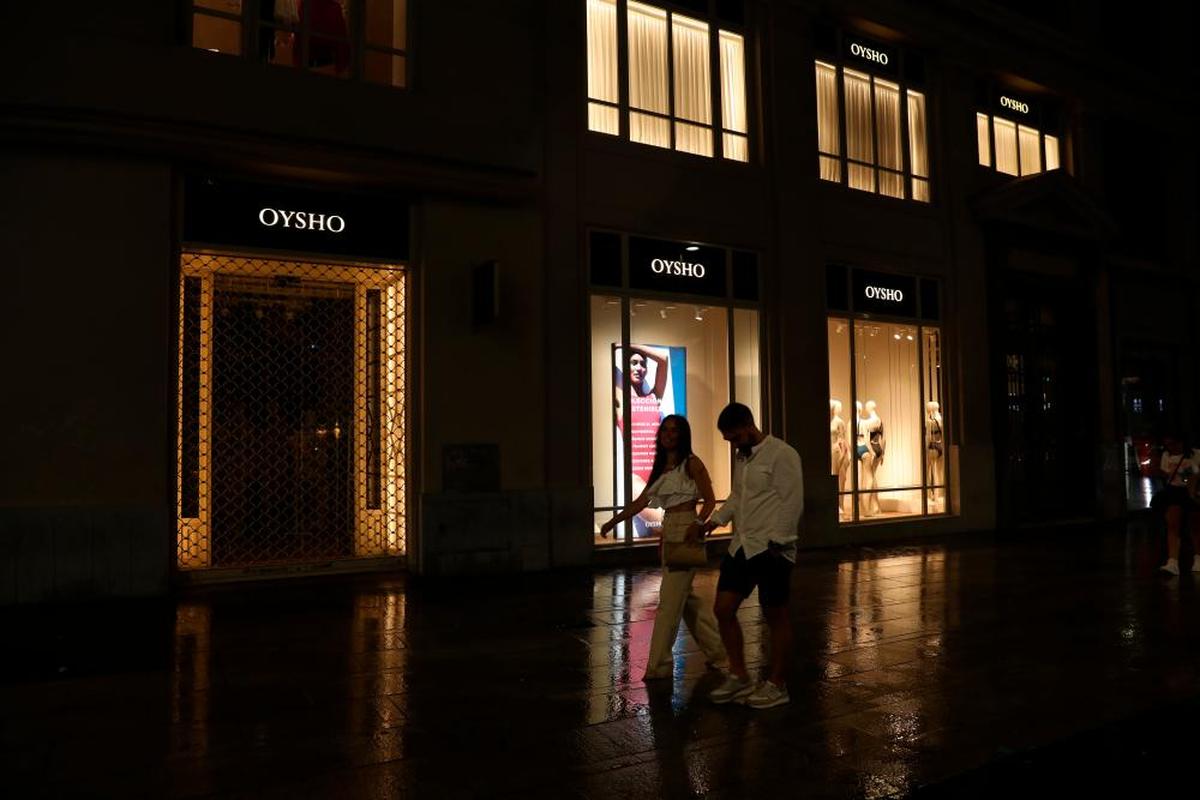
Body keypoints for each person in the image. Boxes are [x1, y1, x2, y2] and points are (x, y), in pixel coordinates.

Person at [599, 415, 727, 680]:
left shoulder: (692, 464)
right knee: (686, 600)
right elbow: (639, 503)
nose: (668, 435)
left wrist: (699, 523)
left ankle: (659, 665)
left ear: (683, 435)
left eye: (674, 431)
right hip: (670, 530)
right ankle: (717, 652)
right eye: (665, 430)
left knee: (669, 603)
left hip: (687, 529)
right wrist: (613, 520)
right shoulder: (661, 468)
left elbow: (711, 500)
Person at [699, 403, 804, 709]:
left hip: (772, 548)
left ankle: (777, 683)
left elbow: (791, 501)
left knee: (776, 615)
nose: (732, 443)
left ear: (748, 425)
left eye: (734, 436)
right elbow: (737, 496)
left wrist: (780, 542)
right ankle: (739, 674)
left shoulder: (783, 454)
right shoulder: (742, 457)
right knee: (723, 608)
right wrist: (715, 521)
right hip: (743, 545)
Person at [1157, 434, 1200, 575]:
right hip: (1174, 492)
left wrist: (1192, 491)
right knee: (1173, 525)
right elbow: (1166, 474)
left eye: (1173, 444)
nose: (1171, 448)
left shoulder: (1196, 455)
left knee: (1194, 526)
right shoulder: (1166, 455)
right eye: (1168, 445)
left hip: (1191, 491)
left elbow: (1195, 475)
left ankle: (1198, 559)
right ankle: (1173, 561)